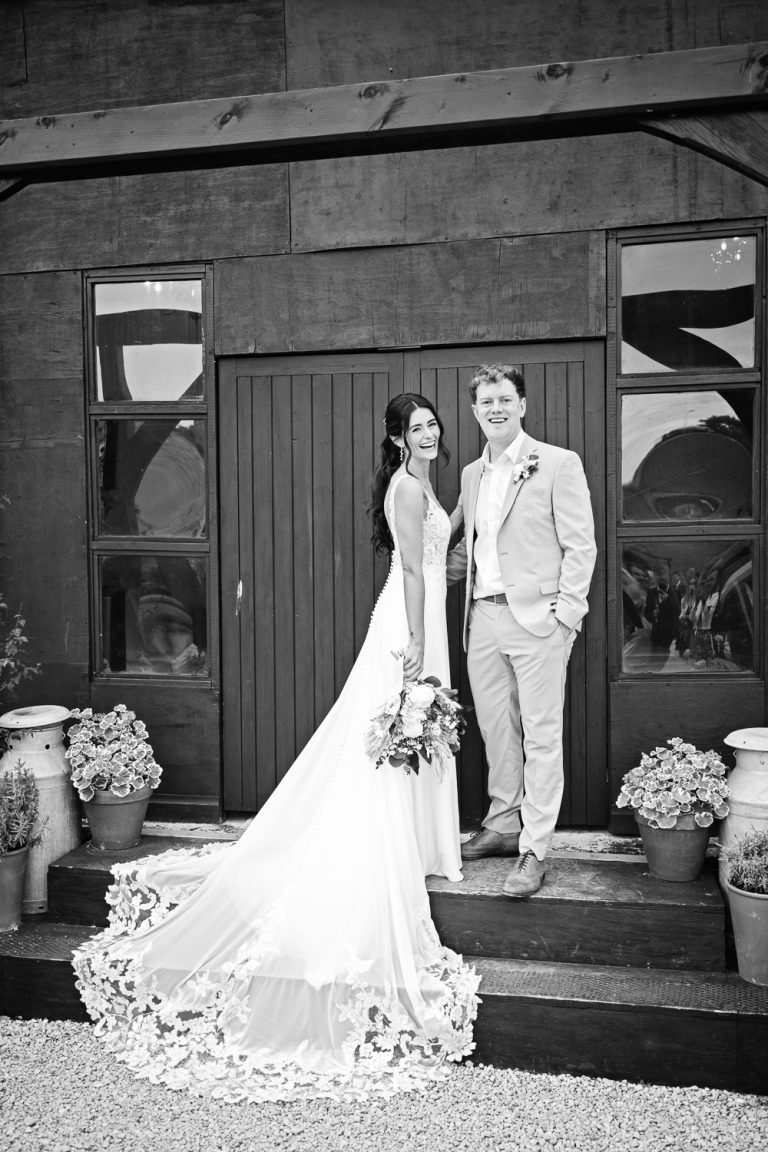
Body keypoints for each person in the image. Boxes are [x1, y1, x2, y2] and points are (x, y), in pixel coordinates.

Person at [72, 394, 478, 1103]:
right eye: (418, 428)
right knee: (396, 734)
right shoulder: (408, 487)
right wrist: (416, 644)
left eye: (434, 427)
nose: (430, 435)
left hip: (424, 619)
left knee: (409, 736)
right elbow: (414, 572)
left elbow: (435, 553)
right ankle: (399, 844)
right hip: (410, 625)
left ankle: (421, 840)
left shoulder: (425, 485)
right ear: (396, 437)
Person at [447, 364, 596, 897]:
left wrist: (566, 618)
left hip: (538, 621)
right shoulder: (471, 473)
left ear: (523, 404)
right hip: (481, 619)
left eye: (505, 399)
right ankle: (503, 823)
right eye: (486, 401)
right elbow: (464, 542)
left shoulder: (557, 463)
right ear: (474, 410)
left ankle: (534, 849)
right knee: (495, 729)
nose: (496, 408)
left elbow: (582, 545)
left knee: (541, 735)